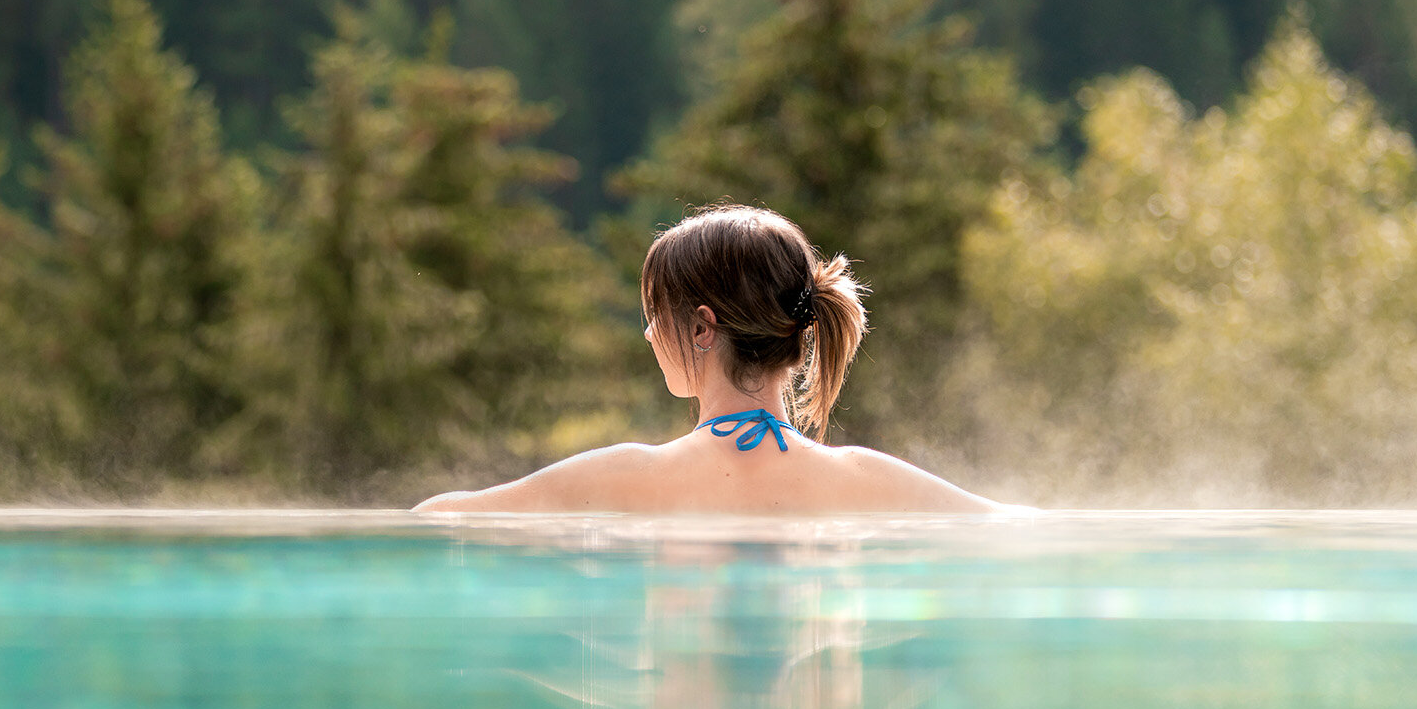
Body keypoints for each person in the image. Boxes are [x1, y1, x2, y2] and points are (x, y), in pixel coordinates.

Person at [415, 204, 1012, 513]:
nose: (650, 334)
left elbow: (436, 520)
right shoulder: (867, 481)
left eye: (656, 313)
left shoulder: (626, 479)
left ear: (703, 326)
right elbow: (1021, 529)